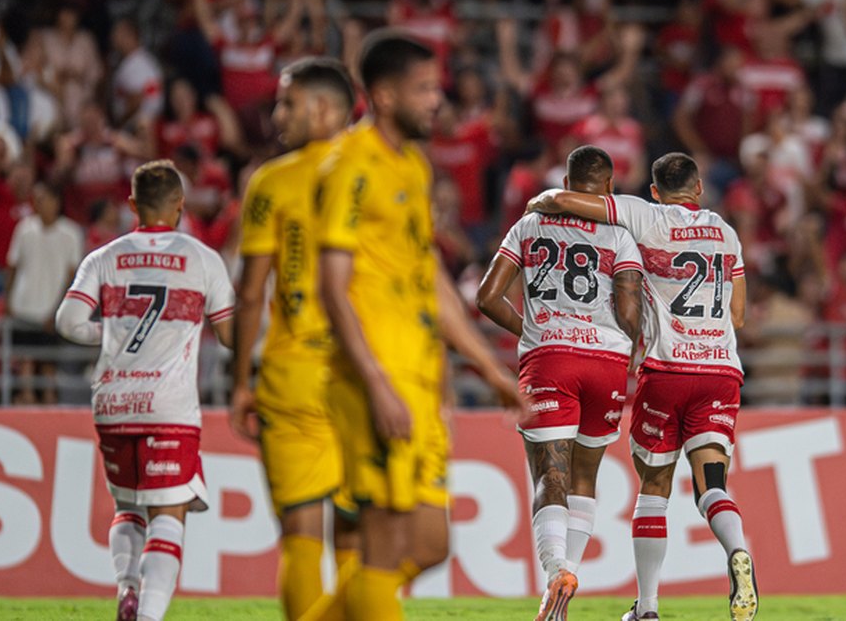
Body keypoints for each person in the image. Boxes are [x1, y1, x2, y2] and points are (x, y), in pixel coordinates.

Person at [311, 32, 525, 620]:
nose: (438, 100)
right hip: (373, 377)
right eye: (425, 88)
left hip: (421, 380)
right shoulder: (350, 165)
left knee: (430, 544)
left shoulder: (412, 165)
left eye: (439, 87)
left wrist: (490, 369)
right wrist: (376, 381)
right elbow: (333, 287)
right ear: (382, 96)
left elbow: (430, 281)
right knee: (383, 546)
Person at [527, 152, 758, 621]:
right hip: (721, 372)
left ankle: (648, 608)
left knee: (654, 487)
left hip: (666, 370)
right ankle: (738, 550)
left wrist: (543, 198)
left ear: (655, 190)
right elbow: (738, 315)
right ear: (698, 189)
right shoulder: (727, 233)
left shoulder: (644, 214)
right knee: (712, 483)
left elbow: (568, 201)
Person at [54, 160, 235, 621]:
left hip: (113, 403)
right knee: (167, 517)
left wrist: (111, 333)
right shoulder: (201, 258)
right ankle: (149, 615)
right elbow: (232, 335)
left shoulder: (104, 257)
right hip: (168, 405)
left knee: (128, 505)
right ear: (180, 205)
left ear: (132, 205)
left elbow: (68, 322)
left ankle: (127, 587)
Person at [476, 145, 644, 620]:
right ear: (609, 188)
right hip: (605, 364)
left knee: (550, 475)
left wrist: (531, 328)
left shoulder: (529, 225)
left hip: (550, 357)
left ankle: (556, 574)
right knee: (585, 476)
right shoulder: (620, 235)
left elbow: (487, 296)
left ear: (566, 183)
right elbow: (630, 315)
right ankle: (567, 572)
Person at [229, 57, 359, 621]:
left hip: (291, 373)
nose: (277, 114)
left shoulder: (271, 181)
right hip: (363, 372)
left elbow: (252, 291)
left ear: (323, 108)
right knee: (357, 532)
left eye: (287, 102)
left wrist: (240, 381)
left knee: (301, 529)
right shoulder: (379, 170)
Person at [5, 183, 83, 404]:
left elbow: (72, 276)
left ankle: (49, 403)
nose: (39, 204)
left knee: (50, 363)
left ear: (56, 202)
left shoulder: (71, 233)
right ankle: (27, 398)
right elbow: (13, 265)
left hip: (51, 307)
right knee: (25, 359)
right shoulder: (24, 228)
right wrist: (9, 300)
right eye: (37, 200)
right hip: (24, 305)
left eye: (44, 199)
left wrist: (60, 308)